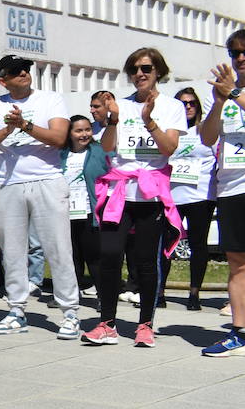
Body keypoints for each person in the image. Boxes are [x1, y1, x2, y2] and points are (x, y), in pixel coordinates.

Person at [82, 49, 184, 346]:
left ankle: (145, 324)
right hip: (120, 192)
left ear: (158, 71)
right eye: (134, 69)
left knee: (145, 261)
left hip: (151, 195)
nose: (140, 74)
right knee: (110, 254)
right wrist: (113, 120)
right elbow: (107, 147)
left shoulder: (172, 106)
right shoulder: (121, 105)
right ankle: (107, 323)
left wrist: (149, 120)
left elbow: (169, 148)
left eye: (146, 68)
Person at [0, 55, 78, 339]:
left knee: (58, 248)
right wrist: (7, 129)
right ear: (2, 81)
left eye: (26, 69)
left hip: (47, 180)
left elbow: (59, 138)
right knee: (12, 252)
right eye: (15, 71)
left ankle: (70, 313)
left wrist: (25, 125)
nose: (23, 73)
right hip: (9, 183)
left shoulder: (51, 99)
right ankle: (16, 310)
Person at [197, 29, 245, 354]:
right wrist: (218, 102)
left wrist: (234, 92)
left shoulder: (234, 91)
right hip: (231, 186)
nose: (240, 58)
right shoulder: (223, 93)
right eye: (234, 52)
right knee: (237, 261)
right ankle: (239, 332)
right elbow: (207, 138)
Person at [163, 87, 216, 310]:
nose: (188, 107)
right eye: (183, 103)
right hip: (172, 196)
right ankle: (159, 292)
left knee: (198, 244)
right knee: (166, 244)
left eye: (192, 103)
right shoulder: (170, 131)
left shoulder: (205, 130)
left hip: (201, 195)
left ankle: (194, 293)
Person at [62, 115, 109, 297]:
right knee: (71, 256)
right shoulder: (61, 154)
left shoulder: (99, 151)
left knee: (94, 256)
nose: (84, 134)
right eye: (79, 130)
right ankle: (71, 295)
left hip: (90, 211)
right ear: (69, 133)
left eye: (88, 129)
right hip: (66, 212)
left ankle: (103, 296)